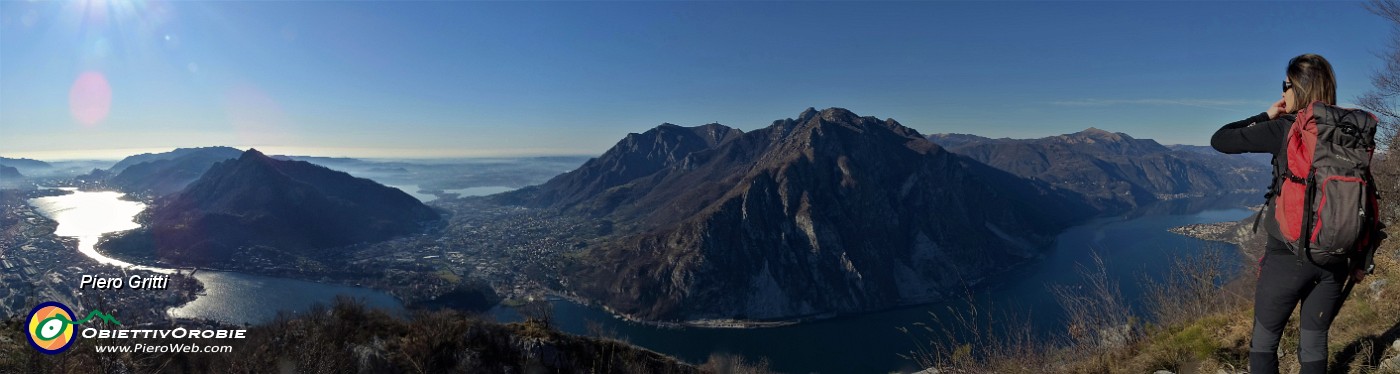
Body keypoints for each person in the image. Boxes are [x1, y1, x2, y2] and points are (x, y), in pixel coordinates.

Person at [1210, 53, 1367, 374]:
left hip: (1287, 258)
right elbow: (1364, 196)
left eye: (1286, 85)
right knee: (1314, 343)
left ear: (1299, 86)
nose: (1283, 93)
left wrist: (1267, 115)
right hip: (1336, 258)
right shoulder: (1350, 133)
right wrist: (1360, 256)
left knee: (1264, 343)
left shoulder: (1284, 127)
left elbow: (1220, 140)